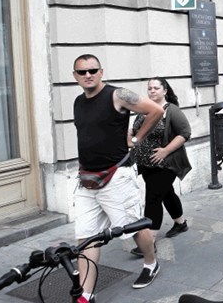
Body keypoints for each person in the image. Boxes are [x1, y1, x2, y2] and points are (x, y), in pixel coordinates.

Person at [72, 54, 164, 296]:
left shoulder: (117, 95)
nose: (88, 75)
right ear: (75, 77)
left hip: (116, 176)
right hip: (86, 180)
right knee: (85, 238)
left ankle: (151, 262)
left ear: (101, 71)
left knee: (133, 228)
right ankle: (85, 295)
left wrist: (135, 139)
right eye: (82, 72)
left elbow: (155, 110)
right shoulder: (78, 103)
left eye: (92, 70)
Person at [129, 78, 191, 258]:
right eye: (150, 88)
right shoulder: (144, 109)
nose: (152, 91)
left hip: (166, 164)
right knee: (166, 193)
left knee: (153, 198)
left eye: (156, 88)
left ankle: (149, 242)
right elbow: (136, 131)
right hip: (146, 164)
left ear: (164, 91)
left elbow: (185, 133)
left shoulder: (171, 110)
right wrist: (130, 137)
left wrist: (165, 151)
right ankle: (181, 223)